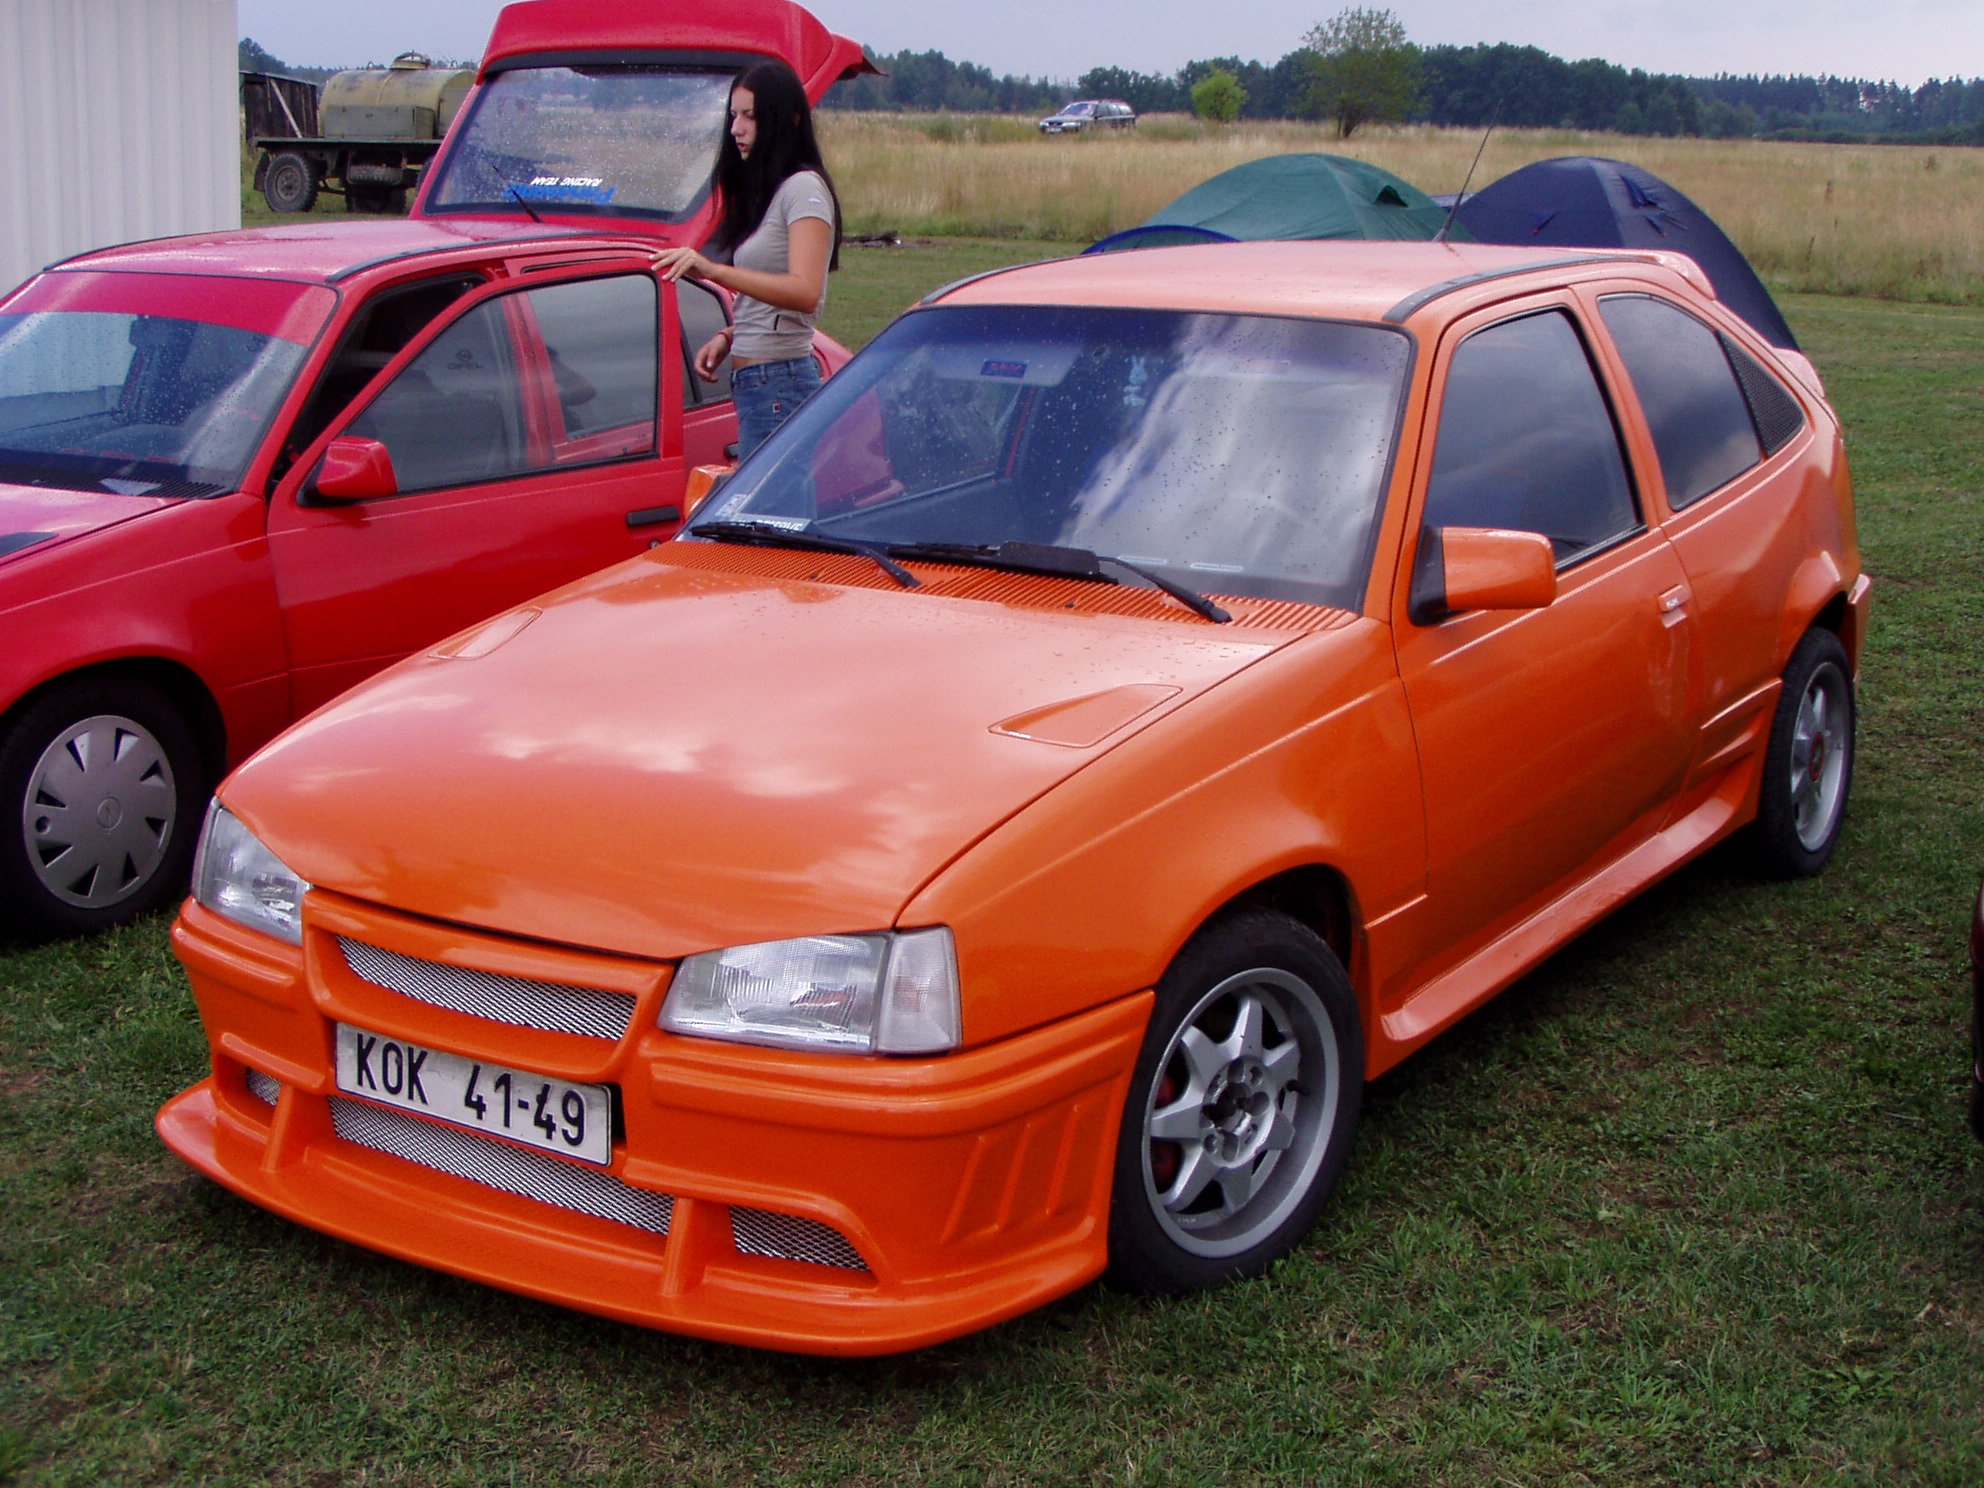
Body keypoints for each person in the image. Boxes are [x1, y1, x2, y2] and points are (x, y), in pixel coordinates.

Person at [651, 61, 840, 458]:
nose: (736, 128)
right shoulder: (770, 191)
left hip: (780, 381)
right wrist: (731, 335)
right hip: (761, 382)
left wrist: (713, 270)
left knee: (771, 498)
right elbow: (776, 298)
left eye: (750, 116)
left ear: (788, 119)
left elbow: (805, 292)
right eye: (733, 115)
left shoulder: (803, 189)